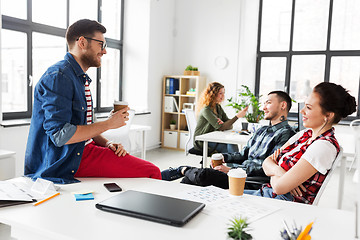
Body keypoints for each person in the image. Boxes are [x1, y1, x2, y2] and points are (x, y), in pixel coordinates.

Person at [24, 19, 161, 184]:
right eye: (101, 45)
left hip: (82, 151)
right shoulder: (59, 77)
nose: (104, 52)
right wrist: (109, 124)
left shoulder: (79, 78)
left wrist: (107, 143)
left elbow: (85, 128)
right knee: (152, 172)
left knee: (145, 170)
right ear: (82, 42)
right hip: (67, 160)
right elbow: (60, 136)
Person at [244, 82, 357, 204]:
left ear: (328, 115)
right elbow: (266, 163)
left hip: (280, 204)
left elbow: (279, 188)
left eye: (308, 107)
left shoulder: (323, 147)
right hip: (267, 194)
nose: (302, 111)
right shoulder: (304, 134)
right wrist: (281, 173)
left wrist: (275, 169)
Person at [162, 91, 295, 188]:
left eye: (269, 103)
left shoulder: (287, 135)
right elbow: (243, 155)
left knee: (204, 175)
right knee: (191, 181)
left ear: (283, 105)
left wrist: (231, 170)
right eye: (264, 103)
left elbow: (269, 168)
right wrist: (223, 158)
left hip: (248, 180)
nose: (264, 107)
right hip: (239, 172)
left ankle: (183, 169)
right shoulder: (261, 131)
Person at [193, 82, 248, 154]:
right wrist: (237, 116)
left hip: (213, 137)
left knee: (231, 143)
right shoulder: (206, 110)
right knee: (227, 147)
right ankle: (232, 164)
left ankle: (232, 164)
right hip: (202, 140)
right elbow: (222, 127)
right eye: (220, 93)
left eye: (223, 93)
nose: (223, 96)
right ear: (213, 94)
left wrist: (224, 125)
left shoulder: (218, 107)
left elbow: (229, 125)